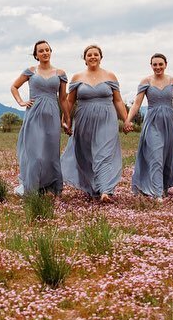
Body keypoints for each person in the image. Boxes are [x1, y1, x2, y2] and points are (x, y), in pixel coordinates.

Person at [61, 44, 128, 202]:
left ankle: (105, 190)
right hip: (84, 119)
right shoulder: (77, 78)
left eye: (95, 54)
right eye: (89, 55)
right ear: (84, 59)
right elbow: (69, 101)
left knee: (104, 154)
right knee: (86, 155)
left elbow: (118, 100)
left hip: (107, 119)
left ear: (100, 57)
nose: (92, 57)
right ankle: (94, 187)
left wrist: (126, 120)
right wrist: (65, 120)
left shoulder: (110, 76)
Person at [123, 53, 173, 200]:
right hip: (153, 121)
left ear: (166, 64)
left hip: (170, 121)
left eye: (160, 64)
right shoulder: (145, 81)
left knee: (167, 156)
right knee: (156, 155)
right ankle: (157, 192)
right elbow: (137, 103)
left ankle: (163, 186)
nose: (158, 67)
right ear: (151, 65)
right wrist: (127, 120)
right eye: (155, 64)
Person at [10, 40, 68, 195]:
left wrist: (67, 118)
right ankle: (32, 189)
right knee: (35, 153)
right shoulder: (30, 71)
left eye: (47, 50)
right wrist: (21, 102)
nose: (45, 53)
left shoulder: (60, 73)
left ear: (51, 51)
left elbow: (63, 99)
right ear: (36, 55)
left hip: (53, 115)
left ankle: (52, 187)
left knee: (51, 152)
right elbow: (14, 86)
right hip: (34, 115)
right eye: (41, 51)